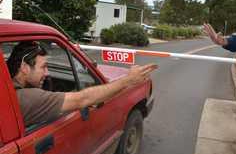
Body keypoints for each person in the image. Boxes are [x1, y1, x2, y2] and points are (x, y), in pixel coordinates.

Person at [6, 41, 157, 127]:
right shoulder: (28, 98)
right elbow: (81, 99)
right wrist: (128, 80)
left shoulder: (8, 90)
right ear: (24, 68)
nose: (47, 73)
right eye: (43, 67)